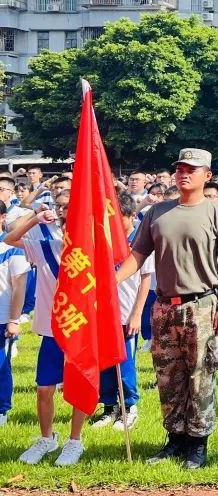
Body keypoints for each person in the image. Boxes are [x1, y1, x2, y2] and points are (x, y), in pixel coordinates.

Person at [115, 148, 218, 470]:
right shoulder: (157, 213)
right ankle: (175, 439)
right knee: (168, 376)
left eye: (192, 169)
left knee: (200, 375)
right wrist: (111, 279)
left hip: (200, 304)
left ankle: (198, 443)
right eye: (180, 168)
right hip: (164, 306)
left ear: (207, 175)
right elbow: (137, 256)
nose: (184, 173)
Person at [7, 192, 88, 466]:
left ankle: (75, 441)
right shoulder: (46, 247)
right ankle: (47, 438)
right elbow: (10, 239)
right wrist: (34, 218)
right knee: (44, 389)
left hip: (79, 330)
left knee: (79, 388)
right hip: (51, 331)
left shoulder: (90, 253)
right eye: (64, 220)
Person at [91, 192, 151, 432]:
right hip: (103, 313)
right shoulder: (102, 240)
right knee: (104, 362)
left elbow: (146, 280)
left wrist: (137, 314)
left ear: (132, 216)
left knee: (124, 362)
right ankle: (109, 406)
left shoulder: (140, 242)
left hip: (127, 313)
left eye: (119, 218)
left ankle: (129, 406)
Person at [0, 202, 30, 428]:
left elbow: (19, 286)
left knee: (1, 365)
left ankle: (2, 409)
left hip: (2, 317)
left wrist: (14, 319)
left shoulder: (12, 248)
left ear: (3, 217)